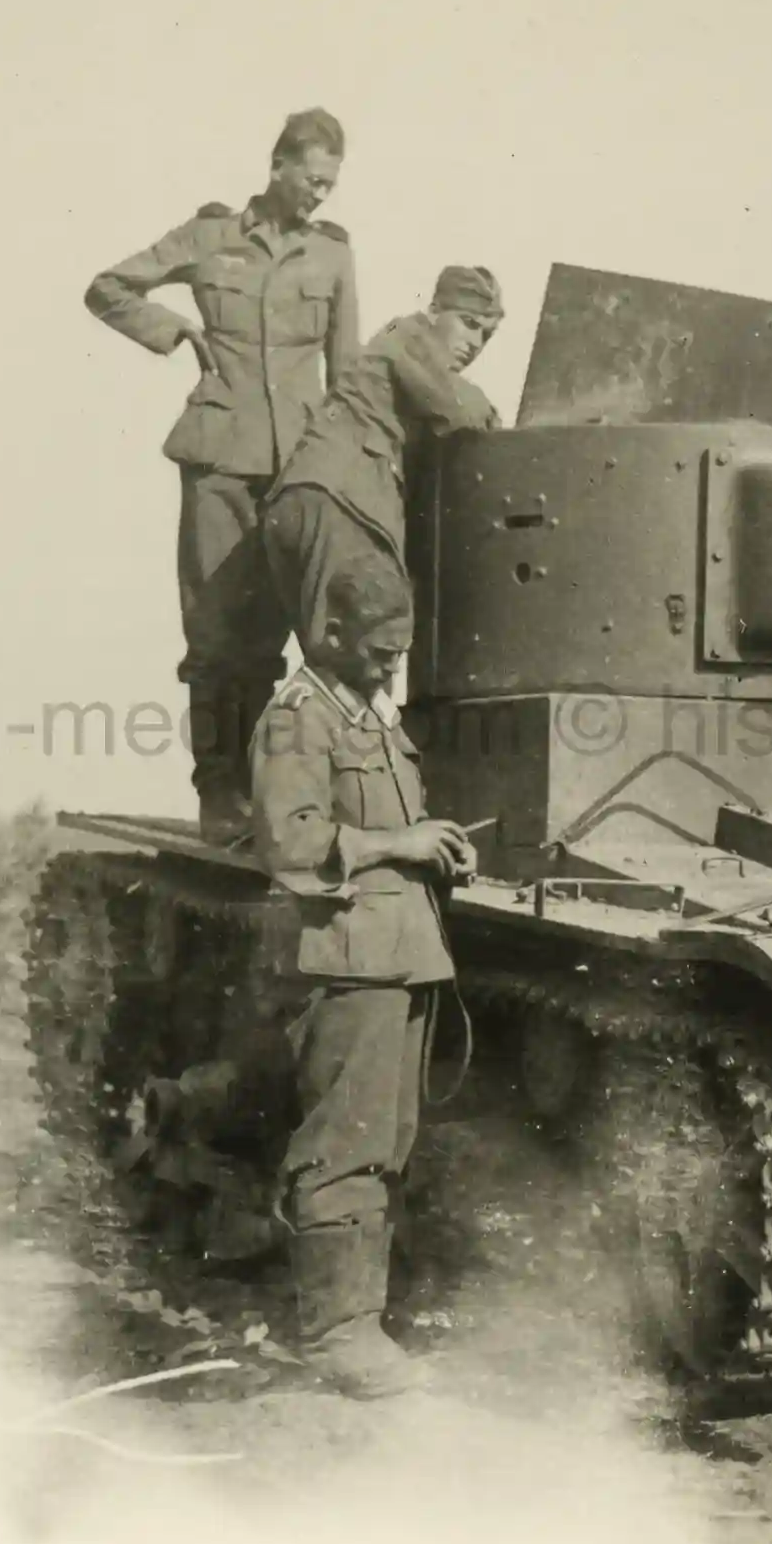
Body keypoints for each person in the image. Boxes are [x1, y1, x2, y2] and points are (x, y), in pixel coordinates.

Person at [87, 109, 362, 843]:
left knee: (294, 636)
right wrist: (175, 331)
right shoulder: (210, 237)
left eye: (330, 185)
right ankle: (219, 795)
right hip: (217, 465)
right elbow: (109, 287)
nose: (319, 197)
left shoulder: (333, 256)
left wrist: (347, 466)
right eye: (311, 180)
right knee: (215, 635)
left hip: (297, 469)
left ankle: (283, 795)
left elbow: (347, 373)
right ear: (277, 166)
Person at [247, 563, 476, 1399]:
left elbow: (387, 833)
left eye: (400, 654)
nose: (390, 670)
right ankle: (339, 1336)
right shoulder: (296, 722)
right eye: (379, 652)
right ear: (331, 632)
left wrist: (437, 850)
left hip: (401, 953)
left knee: (387, 1142)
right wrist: (399, 843)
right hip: (346, 959)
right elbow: (292, 841)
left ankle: (362, 1318)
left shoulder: (369, 719)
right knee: (346, 1147)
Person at [262, 264, 505, 643]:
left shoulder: (399, 350)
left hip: (305, 498)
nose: (475, 343)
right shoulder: (408, 335)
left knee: (331, 656)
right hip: (342, 503)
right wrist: (497, 421)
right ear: (435, 311)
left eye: (486, 336)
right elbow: (460, 409)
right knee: (360, 653)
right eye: (469, 323)